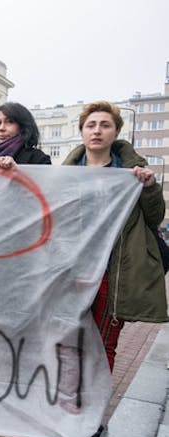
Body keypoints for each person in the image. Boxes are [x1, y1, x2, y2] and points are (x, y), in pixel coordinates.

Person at [63, 101, 167, 373]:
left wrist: (149, 187)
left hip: (114, 271)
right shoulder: (64, 174)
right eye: (91, 125)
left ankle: (93, 408)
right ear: (82, 131)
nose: (97, 131)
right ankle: (69, 405)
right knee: (70, 341)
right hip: (76, 270)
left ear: (116, 132)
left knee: (104, 343)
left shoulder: (132, 172)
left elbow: (154, 218)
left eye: (105, 125)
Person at [0, 102, 51, 167]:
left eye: (10, 122)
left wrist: (17, 171)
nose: (1, 128)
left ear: (22, 127)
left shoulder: (38, 159)